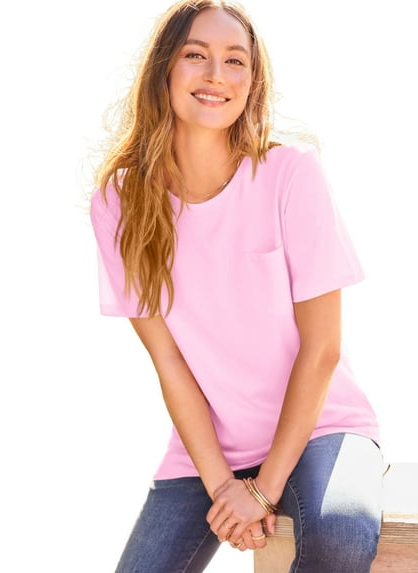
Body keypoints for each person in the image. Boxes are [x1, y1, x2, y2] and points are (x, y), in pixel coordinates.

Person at [90, 1, 383, 571]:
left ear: (253, 80)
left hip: (323, 428)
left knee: (342, 534)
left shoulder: (290, 172)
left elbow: (322, 349)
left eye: (234, 61)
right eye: (195, 55)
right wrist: (224, 484)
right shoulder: (120, 201)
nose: (215, 75)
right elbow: (169, 360)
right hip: (208, 449)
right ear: (164, 69)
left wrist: (262, 490)